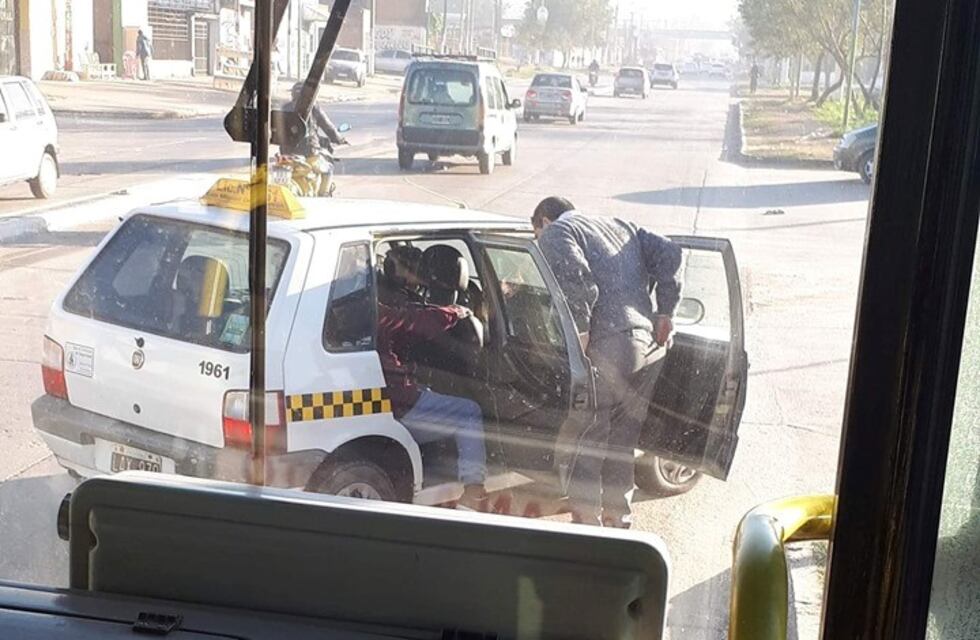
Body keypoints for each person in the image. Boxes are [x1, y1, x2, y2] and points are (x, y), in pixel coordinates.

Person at [532, 196, 682, 528]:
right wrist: (665, 312)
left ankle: (587, 524)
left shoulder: (557, 232)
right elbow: (671, 252)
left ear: (544, 221)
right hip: (647, 346)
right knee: (622, 440)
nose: (540, 242)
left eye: (536, 236)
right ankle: (618, 520)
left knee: (587, 435)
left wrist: (580, 339)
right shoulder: (620, 225)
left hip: (608, 345)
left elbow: (577, 284)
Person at [377, 247, 488, 511]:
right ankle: (474, 491)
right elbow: (413, 322)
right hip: (394, 400)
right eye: (411, 265)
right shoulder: (379, 308)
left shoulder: (360, 297)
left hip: (381, 395)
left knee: (427, 389)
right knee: (469, 411)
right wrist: (456, 312)